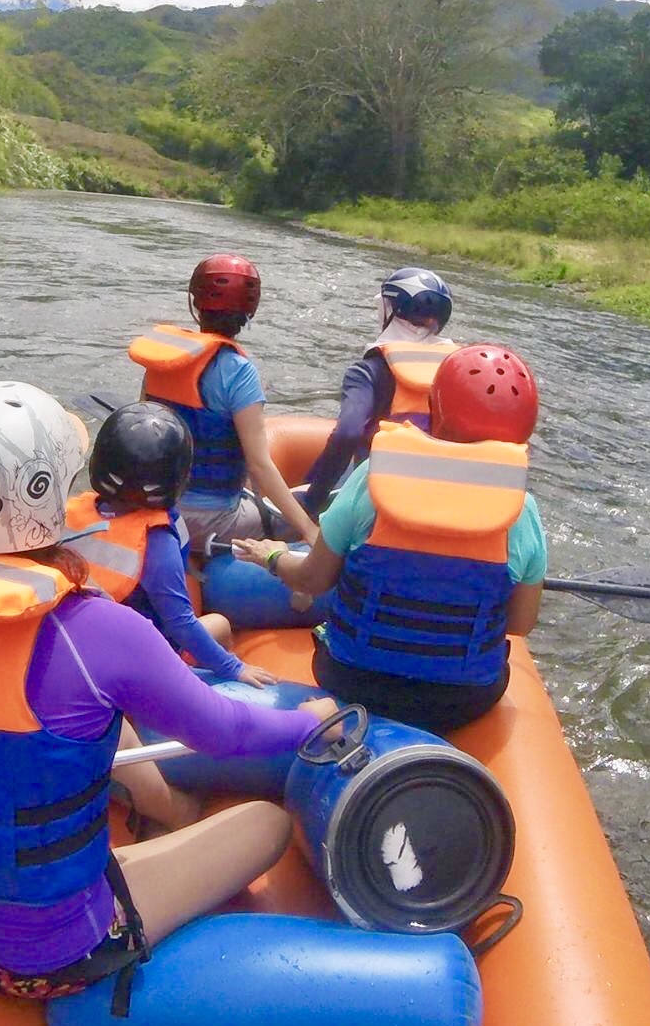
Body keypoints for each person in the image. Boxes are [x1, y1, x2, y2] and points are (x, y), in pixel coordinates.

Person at [0, 380, 335, 1004]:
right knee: (262, 826)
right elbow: (225, 733)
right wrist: (309, 721)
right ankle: (164, 818)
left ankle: (156, 816)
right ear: (39, 496)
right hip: (51, 954)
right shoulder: (101, 631)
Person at [233, 346, 545, 735]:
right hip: (464, 699)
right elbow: (520, 622)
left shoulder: (371, 481)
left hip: (352, 679)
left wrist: (274, 556)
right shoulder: (524, 512)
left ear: (438, 410)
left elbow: (312, 580)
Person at [66, 400, 278, 688]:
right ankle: (212, 683)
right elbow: (180, 622)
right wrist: (233, 669)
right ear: (176, 478)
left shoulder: (72, 513)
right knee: (220, 624)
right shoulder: (157, 541)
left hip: (77, 647)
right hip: (140, 662)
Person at [129, 253, 317, 551]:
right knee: (305, 509)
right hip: (212, 519)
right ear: (250, 309)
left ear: (196, 303)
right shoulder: (238, 372)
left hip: (157, 508)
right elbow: (259, 465)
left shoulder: (162, 358)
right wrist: (309, 530)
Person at [300, 267, 457, 516]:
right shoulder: (458, 369)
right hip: (438, 494)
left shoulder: (367, 371)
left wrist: (312, 502)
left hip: (377, 497)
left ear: (390, 310)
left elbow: (347, 434)